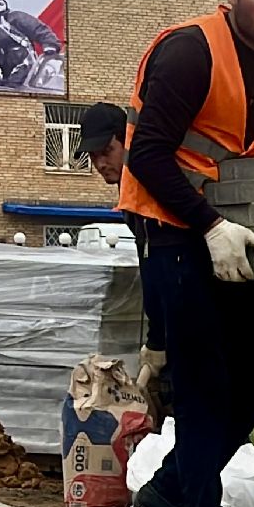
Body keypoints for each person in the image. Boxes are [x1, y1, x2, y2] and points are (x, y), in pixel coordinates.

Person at [115, 0, 254, 507]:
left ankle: (169, 490)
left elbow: (244, 156)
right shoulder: (190, 50)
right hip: (175, 231)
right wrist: (209, 225)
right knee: (203, 383)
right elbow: (148, 155)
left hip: (230, 236)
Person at [78, 101, 167, 416]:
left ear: (127, 141)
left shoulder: (149, 189)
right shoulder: (129, 197)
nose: (100, 163)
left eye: (106, 151)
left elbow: (161, 269)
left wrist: (160, 339)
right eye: (93, 157)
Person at [0, 0, 62, 87]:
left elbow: (38, 28)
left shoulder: (17, 17)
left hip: (24, 65)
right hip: (8, 70)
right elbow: (3, 47)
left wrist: (50, 44)